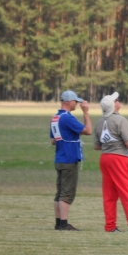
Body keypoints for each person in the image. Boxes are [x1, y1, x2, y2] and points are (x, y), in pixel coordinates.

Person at [94, 92, 128, 233]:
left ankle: (110, 226)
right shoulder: (120, 120)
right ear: (114, 105)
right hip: (120, 159)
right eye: (117, 100)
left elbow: (97, 146)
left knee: (109, 195)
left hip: (105, 158)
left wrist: (112, 145)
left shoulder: (99, 122)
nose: (119, 101)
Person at [51, 90, 92, 231]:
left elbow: (53, 140)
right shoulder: (67, 118)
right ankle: (64, 224)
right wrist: (86, 112)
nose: (77, 104)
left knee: (60, 192)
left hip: (60, 158)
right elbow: (88, 131)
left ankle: (58, 223)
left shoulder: (55, 117)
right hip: (69, 158)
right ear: (69, 102)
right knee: (67, 193)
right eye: (76, 101)